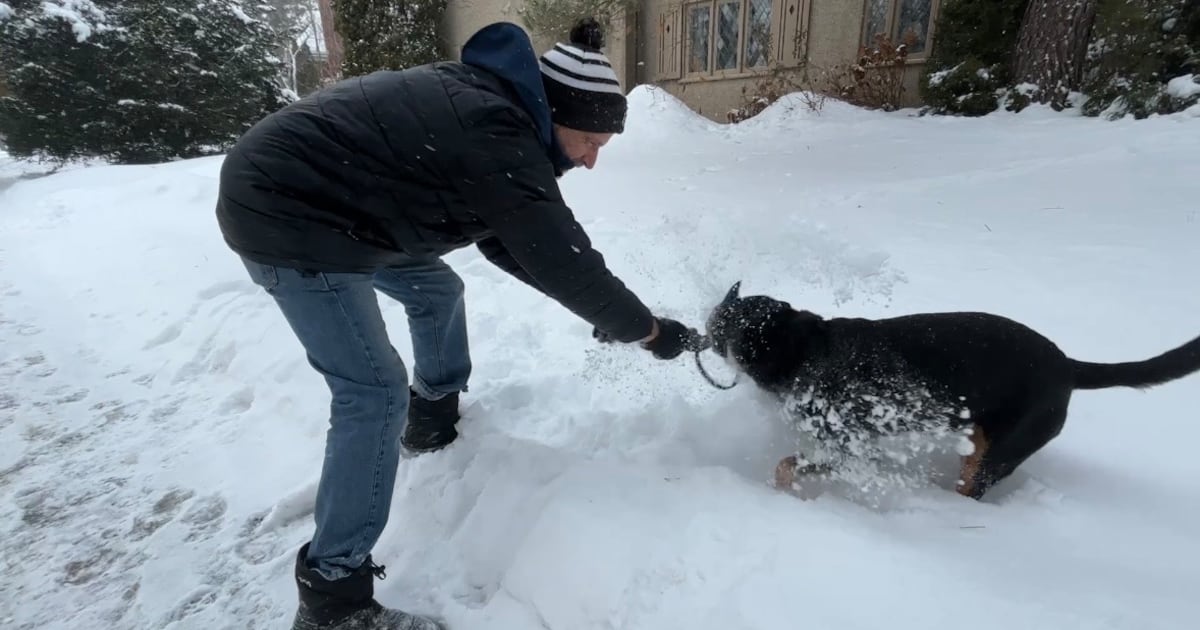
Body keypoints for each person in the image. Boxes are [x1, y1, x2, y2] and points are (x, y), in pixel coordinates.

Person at [215, 16, 705, 630]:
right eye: (591, 141)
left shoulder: (494, 111)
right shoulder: (494, 131)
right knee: (371, 391)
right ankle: (333, 597)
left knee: (435, 287)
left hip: (337, 205)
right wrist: (649, 332)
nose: (591, 159)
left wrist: (611, 317)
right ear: (556, 113)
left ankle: (433, 415)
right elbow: (560, 259)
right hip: (289, 216)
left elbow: (509, 241)